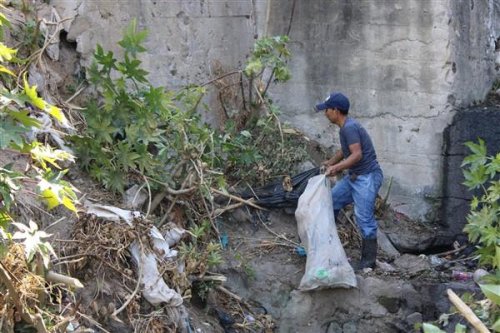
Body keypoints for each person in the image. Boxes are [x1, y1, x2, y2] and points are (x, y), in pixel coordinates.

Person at [315, 92, 383, 270]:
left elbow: (357, 155)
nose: (325, 113)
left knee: (364, 218)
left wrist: (335, 169)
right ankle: (331, 244)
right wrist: (330, 162)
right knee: (331, 202)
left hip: (366, 178)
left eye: (327, 110)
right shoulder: (346, 127)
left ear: (336, 110)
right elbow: (345, 151)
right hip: (353, 178)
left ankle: (369, 262)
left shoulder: (349, 128)